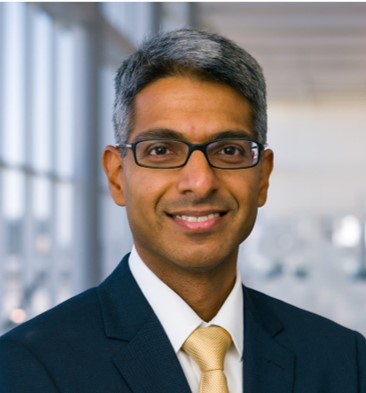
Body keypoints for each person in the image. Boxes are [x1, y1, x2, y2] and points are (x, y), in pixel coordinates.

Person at [0, 28, 365, 393]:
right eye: (161, 150)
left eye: (229, 151)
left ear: (262, 178)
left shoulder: (345, 359)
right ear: (116, 176)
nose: (200, 182)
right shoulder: (28, 367)